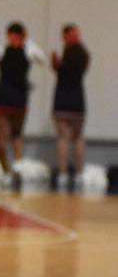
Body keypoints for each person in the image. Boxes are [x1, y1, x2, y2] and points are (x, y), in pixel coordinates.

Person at [0, 22, 46, 187]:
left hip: (20, 98)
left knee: (17, 133)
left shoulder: (28, 50)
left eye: (16, 36)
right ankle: (5, 169)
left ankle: (18, 167)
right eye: (11, 36)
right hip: (3, 97)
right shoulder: (1, 50)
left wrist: (28, 41)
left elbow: (42, 59)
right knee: (1, 135)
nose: (12, 39)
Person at [50, 24, 90, 190]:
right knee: (77, 136)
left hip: (63, 101)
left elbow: (63, 71)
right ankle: (79, 173)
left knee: (64, 137)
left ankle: (63, 173)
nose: (77, 37)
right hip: (77, 101)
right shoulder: (83, 54)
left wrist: (57, 64)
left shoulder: (70, 54)